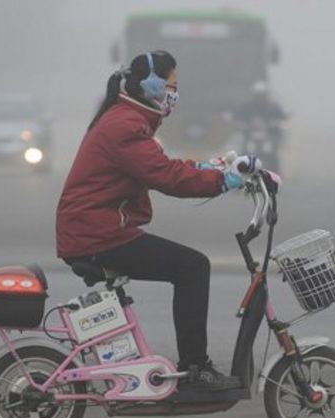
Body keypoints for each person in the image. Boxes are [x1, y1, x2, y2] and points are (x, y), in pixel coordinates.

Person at [56, 50, 245, 391]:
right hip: (96, 233)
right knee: (193, 267)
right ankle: (195, 368)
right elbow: (165, 176)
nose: (175, 92)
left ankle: (188, 366)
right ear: (152, 85)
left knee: (187, 266)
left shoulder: (127, 119)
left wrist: (208, 168)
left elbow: (158, 165)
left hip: (95, 228)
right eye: (172, 85)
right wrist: (223, 181)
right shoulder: (125, 126)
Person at [232, 80, 287, 151]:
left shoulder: (272, 106)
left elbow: (281, 115)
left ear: (266, 95)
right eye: (258, 95)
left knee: (276, 142)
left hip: (269, 132)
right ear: (254, 95)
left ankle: (274, 155)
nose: (260, 98)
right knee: (239, 142)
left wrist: (278, 120)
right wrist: (239, 121)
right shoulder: (247, 106)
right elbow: (237, 114)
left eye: (262, 95)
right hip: (250, 132)